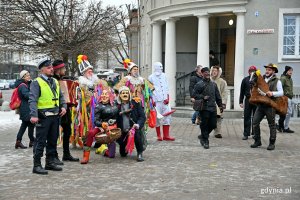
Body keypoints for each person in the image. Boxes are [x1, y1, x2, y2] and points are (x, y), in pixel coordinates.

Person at [29, 59, 67, 175]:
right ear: (42, 70)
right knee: (40, 141)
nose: (52, 69)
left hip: (55, 116)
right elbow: (32, 100)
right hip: (43, 116)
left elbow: (61, 96)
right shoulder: (37, 82)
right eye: (49, 67)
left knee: (52, 140)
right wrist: (33, 115)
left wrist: (64, 106)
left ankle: (50, 162)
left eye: (52, 67)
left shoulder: (54, 81)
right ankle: (37, 165)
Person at [80, 87, 119, 164]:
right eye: (103, 94)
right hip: (101, 127)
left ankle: (102, 150)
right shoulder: (98, 106)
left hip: (112, 128)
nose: (104, 96)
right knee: (90, 133)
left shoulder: (115, 103)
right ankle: (86, 156)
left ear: (110, 95)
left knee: (111, 155)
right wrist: (102, 124)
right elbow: (95, 121)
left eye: (106, 94)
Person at [251, 63, 283, 151]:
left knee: (271, 125)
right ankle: (257, 141)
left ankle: (272, 143)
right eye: (266, 69)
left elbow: (281, 92)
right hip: (261, 105)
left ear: (273, 71)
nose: (267, 71)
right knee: (255, 122)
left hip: (270, 105)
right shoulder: (261, 79)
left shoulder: (277, 81)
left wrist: (272, 93)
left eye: (269, 70)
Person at [52, 60, 79, 162]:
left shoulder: (63, 80)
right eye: (64, 68)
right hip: (56, 109)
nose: (65, 70)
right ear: (58, 70)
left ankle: (66, 154)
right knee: (54, 133)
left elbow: (67, 95)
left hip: (65, 109)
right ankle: (54, 156)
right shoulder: (53, 80)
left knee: (67, 131)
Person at [192, 67, 223, 149]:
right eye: (205, 72)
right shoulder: (199, 84)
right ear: (202, 74)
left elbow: (218, 96)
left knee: (213, 124)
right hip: (204, 108)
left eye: (208, 72)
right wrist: (202, 97)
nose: (207, 74)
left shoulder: (214, 84)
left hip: (213, 108)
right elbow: (194, 95)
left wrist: (220, 105)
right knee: (204, 124)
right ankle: (205, 140)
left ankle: (203, 135)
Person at [116, 86, 146, 162]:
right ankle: (124, 148)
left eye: (127, 93)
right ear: (119, 95)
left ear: (129, 94)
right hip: (122, 131)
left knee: (137, 134)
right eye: (123, 93)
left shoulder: (135, 103)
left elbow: (142, 117)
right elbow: (112, 116)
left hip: (133, 128)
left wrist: (138, 124)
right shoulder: (116, 105)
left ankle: (139, 153)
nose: (125, 94)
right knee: (123, 154)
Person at [148, 62, 175, 141]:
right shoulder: (151, 77)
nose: (160, 68)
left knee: (167, 117)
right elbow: (149, 90)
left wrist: (168, 97)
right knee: (157, 118)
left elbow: (167, 87)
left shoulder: (164, 75)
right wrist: (151, 100)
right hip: (156, 101)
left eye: (161, 67)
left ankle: (166, 135)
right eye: (159, 67)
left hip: (165, 100)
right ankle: (159, 135)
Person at [14, 70, 35, 149]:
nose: (29, 77)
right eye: (27, 76)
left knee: (27, 125)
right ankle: (31, 141)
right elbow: (27, 95)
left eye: (29, 75)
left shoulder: (25, 84)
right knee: (29, 124)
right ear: (23, 77)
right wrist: (34, 94)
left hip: (26, 108)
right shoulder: (23, 85)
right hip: (26, 108)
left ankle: (20, 141)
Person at [239, 66, 257, 140]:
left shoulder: (258, 79)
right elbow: (242, 91)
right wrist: (240, 101)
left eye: (253, 71)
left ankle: (255, 133)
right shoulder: (245, 80)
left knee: (256, 117)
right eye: (250, 71)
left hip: (256, 100)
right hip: (248, 99)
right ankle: (246, 133)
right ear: (248, 72)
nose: (252, 72)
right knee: (247, 116)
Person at [210, 66, 227, 138]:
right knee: (208, 117)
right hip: (209, 102)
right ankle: (205, 131)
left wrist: (223, 103)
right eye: (213, 70)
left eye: (216, 71)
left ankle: (217, 132)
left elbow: (224, 93)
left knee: (218, 117)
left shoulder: (222, 81)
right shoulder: (208, 80)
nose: (214, 72)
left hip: (218, 103)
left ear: (218, 72)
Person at [277, 65, 294, 133]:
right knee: (287, 113)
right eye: (289, 70)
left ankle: (283, 126)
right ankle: (283, 126)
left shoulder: (290, 79)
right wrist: (283, 98)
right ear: (286, 71)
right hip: (285, 98)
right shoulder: (283, 78)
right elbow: (280, 89)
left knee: (288, 113)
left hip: (289, 97)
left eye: (291, 71)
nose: (291, 72)